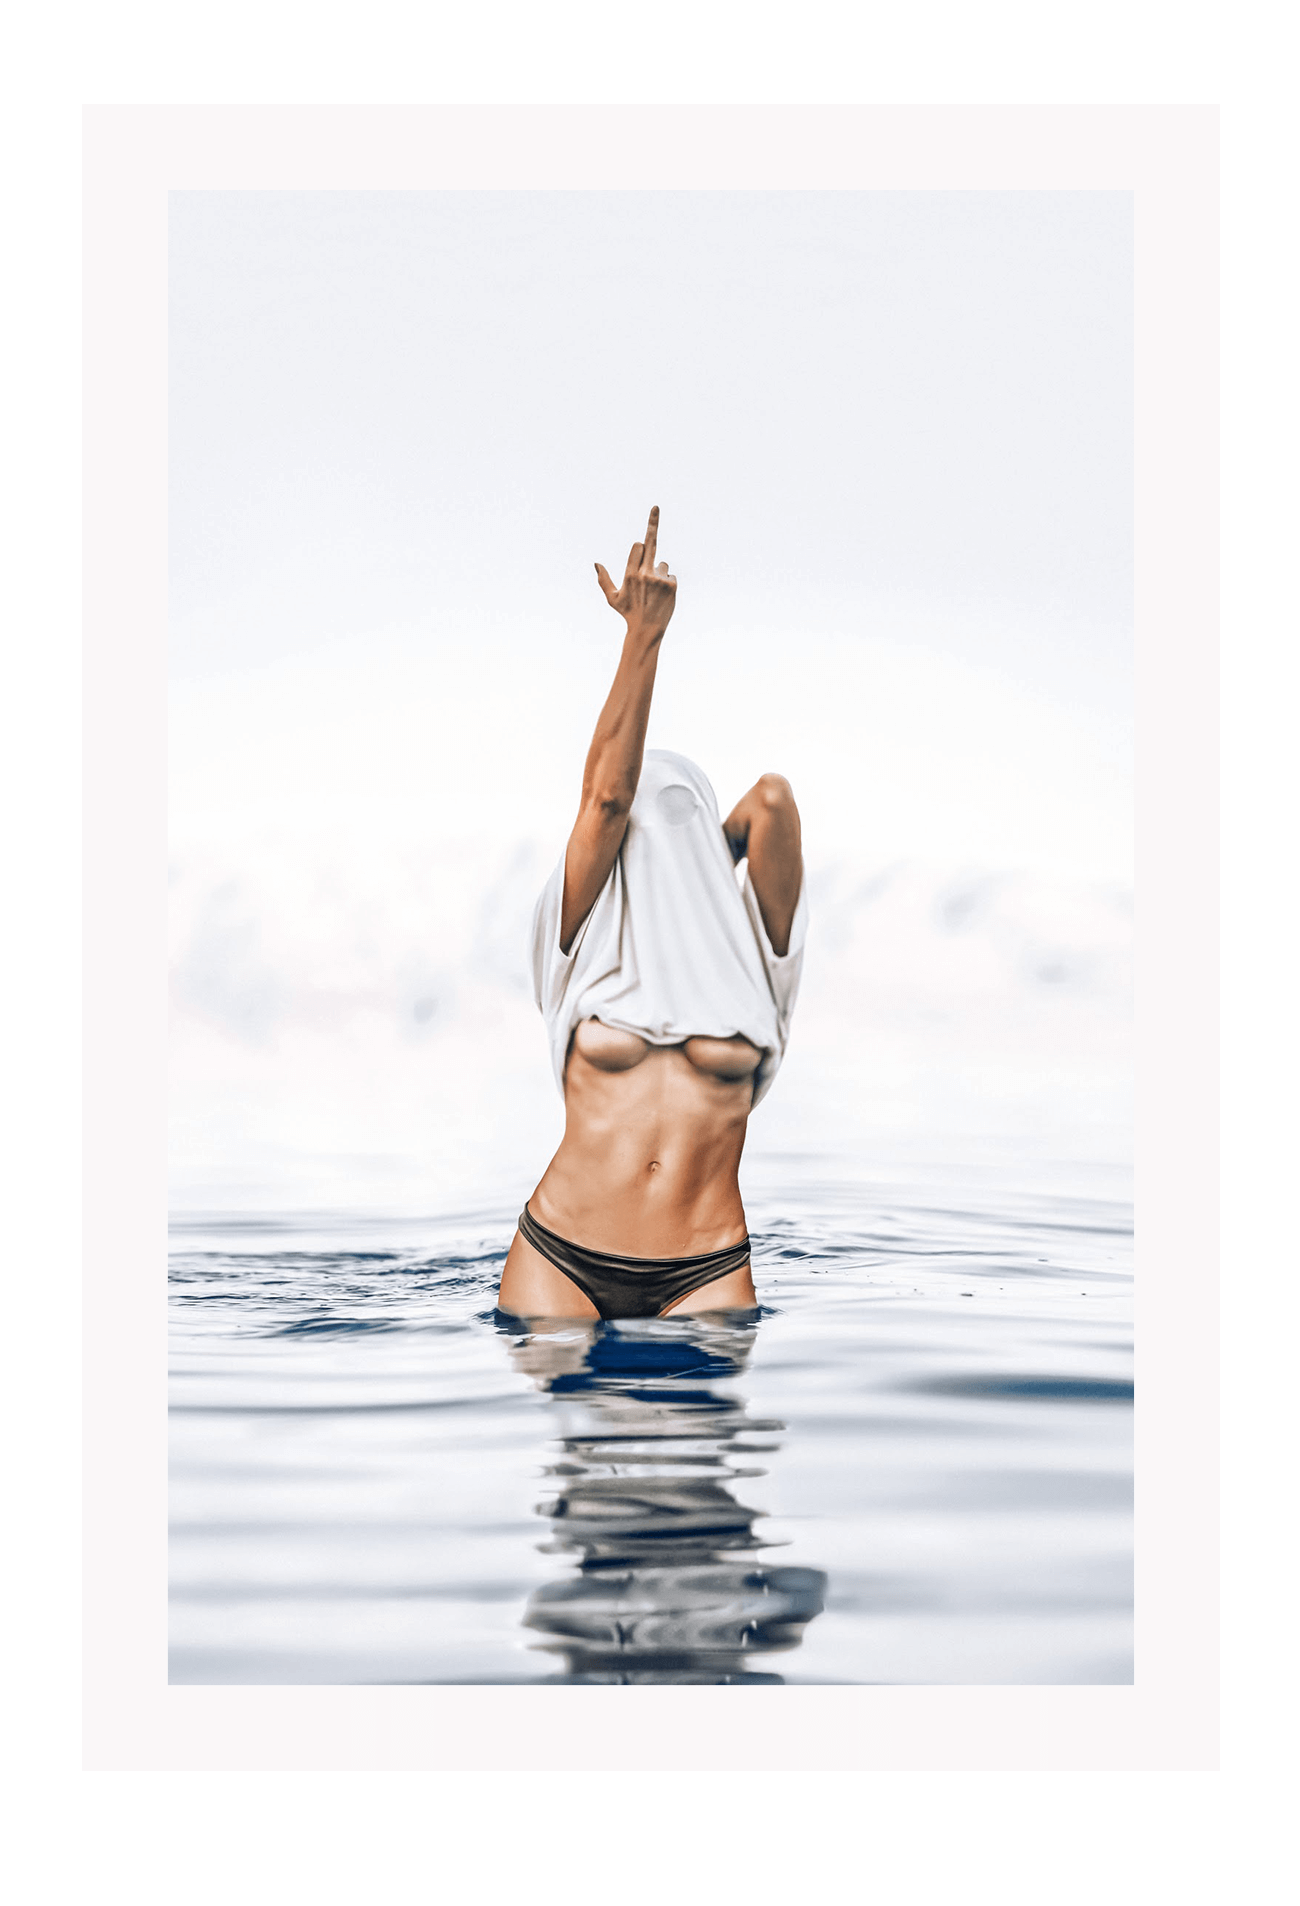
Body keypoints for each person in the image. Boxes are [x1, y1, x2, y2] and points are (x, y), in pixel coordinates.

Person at [496, 507, 807, 1321]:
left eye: (684, 825)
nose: (660, 840)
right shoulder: (575, 932)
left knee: (706, 1451)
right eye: (649, 831)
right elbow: (605, 800)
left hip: (705, 1268)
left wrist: (711, 855)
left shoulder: (752, 955)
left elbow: (773, 801)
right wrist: (643, 637)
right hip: (561, 1256)